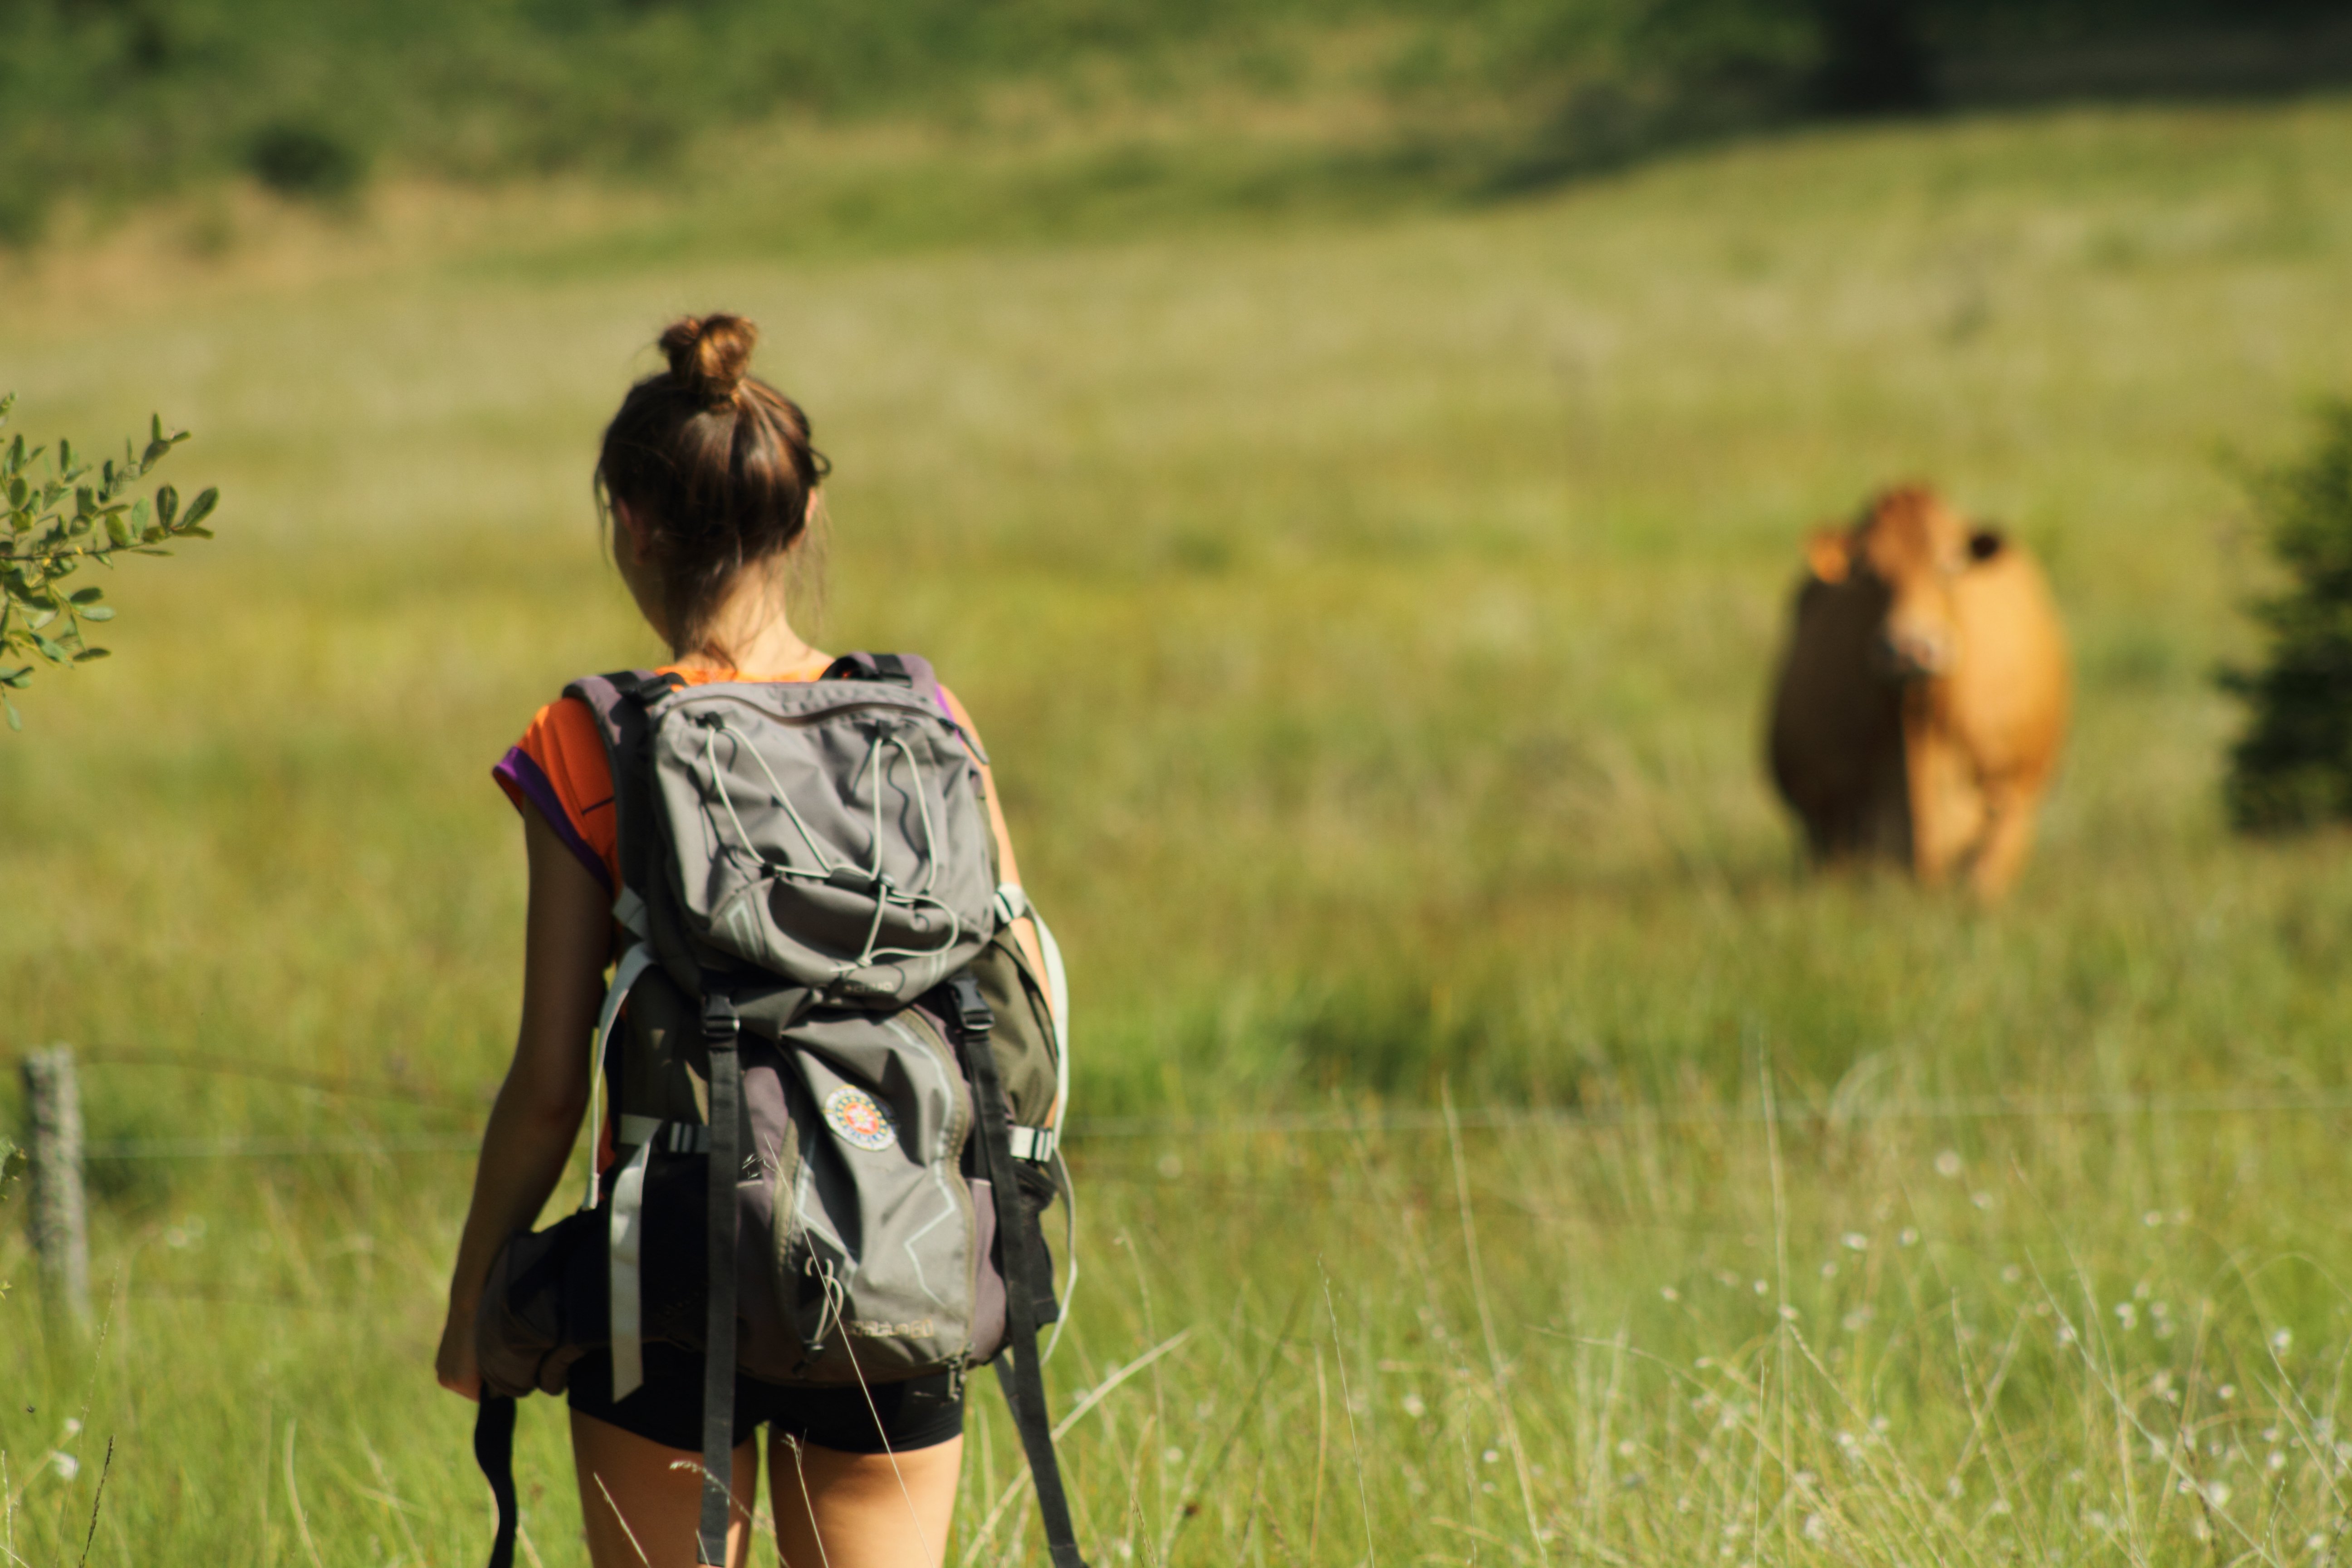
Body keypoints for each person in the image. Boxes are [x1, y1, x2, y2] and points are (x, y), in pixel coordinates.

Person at [436, 313, 1038, 1568]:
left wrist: (475, 1302)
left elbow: (550, 1086)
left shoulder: (589, 738)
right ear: (803, 515)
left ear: (631, 524)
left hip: (668, 1275)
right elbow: (1017, 991)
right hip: (898, 1258)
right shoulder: (926, 716)